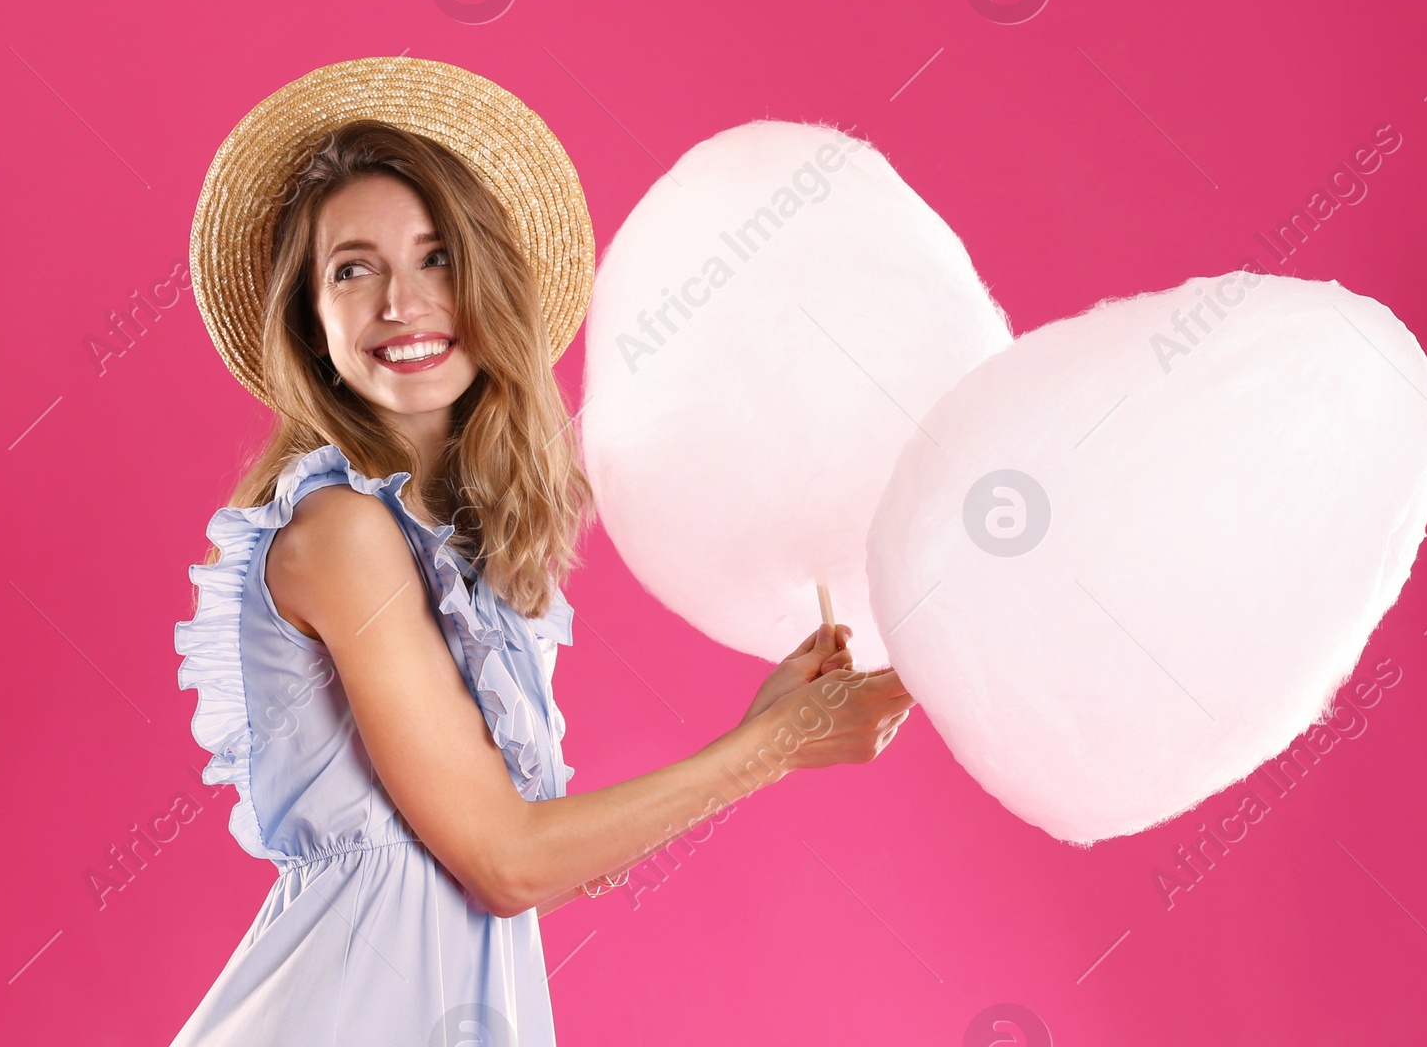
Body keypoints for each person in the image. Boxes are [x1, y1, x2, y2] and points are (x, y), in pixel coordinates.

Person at [172, 57, 913, 1046]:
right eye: (352, 269)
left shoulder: (454, 556)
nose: (400, 301)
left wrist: (776, 719)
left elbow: (495, 868)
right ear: (312, 323)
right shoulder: (340, 537)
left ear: (487, 279)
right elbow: (504, 862)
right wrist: (774, 746)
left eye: (435, 256)